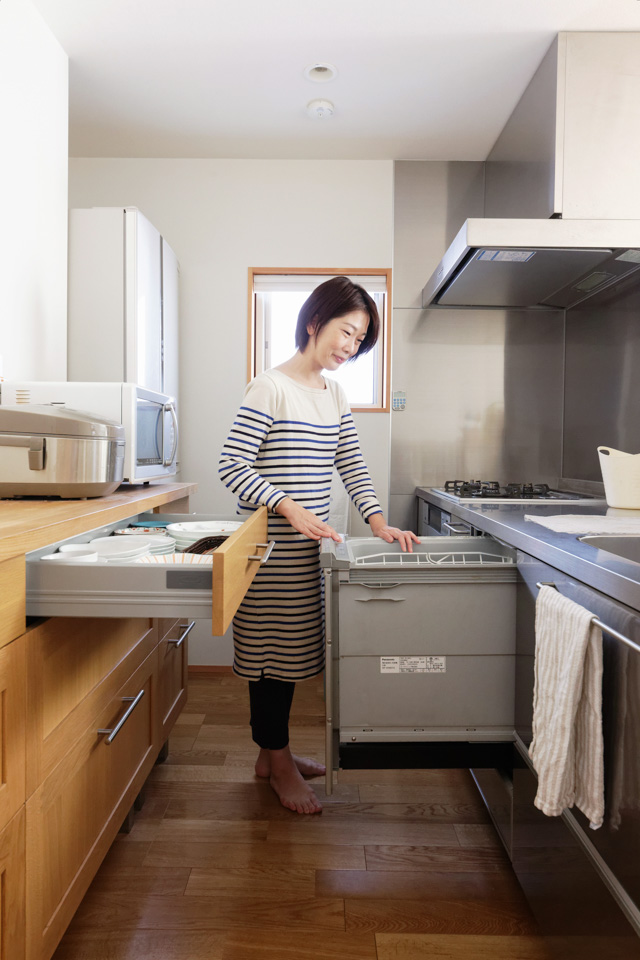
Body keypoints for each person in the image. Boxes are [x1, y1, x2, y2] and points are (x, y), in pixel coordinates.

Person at [218, 276, 419, 814]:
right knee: (268, 658)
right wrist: (289, 507)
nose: (350, 347)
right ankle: (278, 763)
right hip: (267, 552)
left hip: (310, 551)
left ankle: (271, 756)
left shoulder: (334, 393)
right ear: (315, 321)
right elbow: (231, 465)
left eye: (358, 341)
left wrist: (377, 523)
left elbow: (350, 463)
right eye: (346, 332)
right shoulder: (269, 387)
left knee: (290, 656)